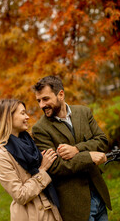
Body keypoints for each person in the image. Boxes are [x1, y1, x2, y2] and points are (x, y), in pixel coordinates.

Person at [32, 76, 112, 221]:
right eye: (39, 101)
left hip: (99, 194)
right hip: (75, 205)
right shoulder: (39, 129)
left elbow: (102, 141)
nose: (41, 105)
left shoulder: (84, 112)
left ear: (60, 94)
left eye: (45, 99)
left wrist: (76, 149)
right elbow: (56, 166)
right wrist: (88, 156)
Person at [0, 99, 62, 221]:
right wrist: (42, 169)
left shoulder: (29, 140)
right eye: (22, 113)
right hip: (32, 215)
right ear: (8, 118)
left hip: (50, 206)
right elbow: (20, 195)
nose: (27, 117)